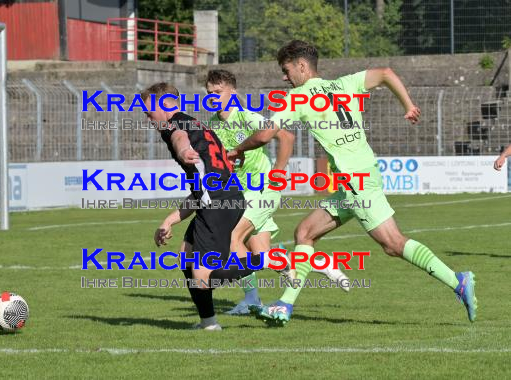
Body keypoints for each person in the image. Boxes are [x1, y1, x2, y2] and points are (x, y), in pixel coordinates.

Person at [228, 40, 477, 326]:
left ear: (301, 66)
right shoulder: (343, 84)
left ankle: (458, 281)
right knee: (305, 233)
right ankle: (285, 305)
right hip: (356, 179)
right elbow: (385, 72)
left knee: (393, 244)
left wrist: (236, 150)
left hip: (355, 181)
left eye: (286, 70)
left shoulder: (298, 99)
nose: (285, 78)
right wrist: (408, 105)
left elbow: (263, 135)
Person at [143, 83, 289, 330]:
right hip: (223, 198)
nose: (148, 118)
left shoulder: (173, 126)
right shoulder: (200, 126)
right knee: (186, 256)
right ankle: (208, 322)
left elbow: (179, 139)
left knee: (203, 276)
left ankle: (270, 259)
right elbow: (200, 190)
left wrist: (182, 151)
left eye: (149, 111)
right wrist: (169, 220)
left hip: (218, 203)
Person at [205, 69, 350, 315]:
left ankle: (253, 297)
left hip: (261, 189)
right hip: (240, 194)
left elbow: (286, 136)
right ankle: (317, 262)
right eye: (209, 94)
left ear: (233, 92)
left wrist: (279, 172)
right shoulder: (213, 124)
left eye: (218, 92)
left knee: (230, 239)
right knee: (260, 253)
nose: (212, 98)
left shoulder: (247, 117)